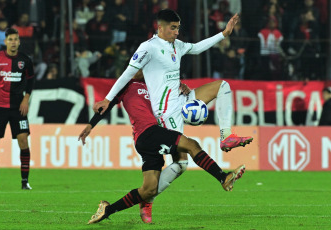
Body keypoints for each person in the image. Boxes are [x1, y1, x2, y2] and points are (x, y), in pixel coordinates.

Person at [94, 9, 253, 223]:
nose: (176, 32)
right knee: (181, 165)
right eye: (172, 28)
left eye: (178, 28)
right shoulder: (148, 48)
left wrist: (224, 34)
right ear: (159, 27)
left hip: (181, 101)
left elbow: (196, 48)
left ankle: (226, 137)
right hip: (166, 113)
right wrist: (107, 98)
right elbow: (127, 74)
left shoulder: (177, 46)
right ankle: (148, 199)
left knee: (222, 86)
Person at [78, 78, 246, 224]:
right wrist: (90, 125)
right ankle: (223, 177)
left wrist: (180, 84)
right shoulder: (125, 85)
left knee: (149, 189)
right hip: (147, 133)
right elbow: (106, 106)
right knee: (192, 145)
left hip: (148, 137)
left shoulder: (154, 84)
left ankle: (108, 210)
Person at [0, 28, 35, 190]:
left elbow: (30, 81)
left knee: (23, 140)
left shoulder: (25, 60)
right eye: (10, 39)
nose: (13, 42)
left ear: (19, 41)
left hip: (17, 107)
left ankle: (24, 182)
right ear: (5, 41)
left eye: (16, 39)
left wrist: (26, 98)